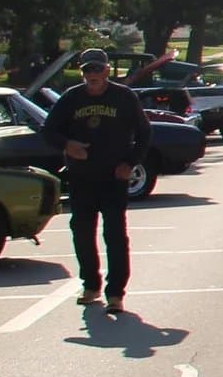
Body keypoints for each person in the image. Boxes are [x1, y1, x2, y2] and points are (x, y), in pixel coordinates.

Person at [40, 49, 150, 313]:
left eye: (97, 70)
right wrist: (68, 145)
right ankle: (91, 285)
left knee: (114, 234)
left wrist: (130, 162)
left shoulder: (123, 97)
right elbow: (48, 130)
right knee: (82, 231)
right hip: (82, 177)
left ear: (107, 71)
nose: (92, 75)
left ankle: (115, 294)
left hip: (113, 177)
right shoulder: (72, 98)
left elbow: (145, 131)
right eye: (87, 70)